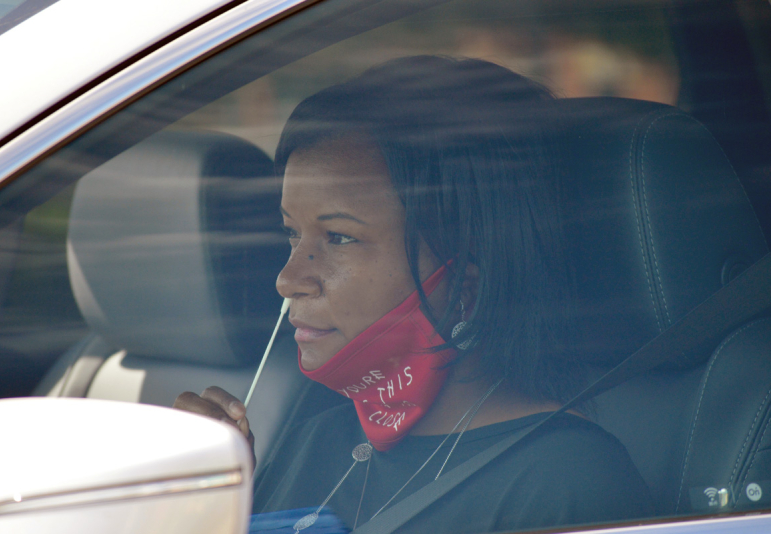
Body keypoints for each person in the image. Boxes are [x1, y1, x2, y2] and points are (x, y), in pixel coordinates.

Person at [174, 55, 653, 533]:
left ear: (467, 281)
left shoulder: (569, 482)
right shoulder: (314, 440)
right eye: (292, 235)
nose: (287, 279)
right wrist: (207, 504)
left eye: (339, 238)